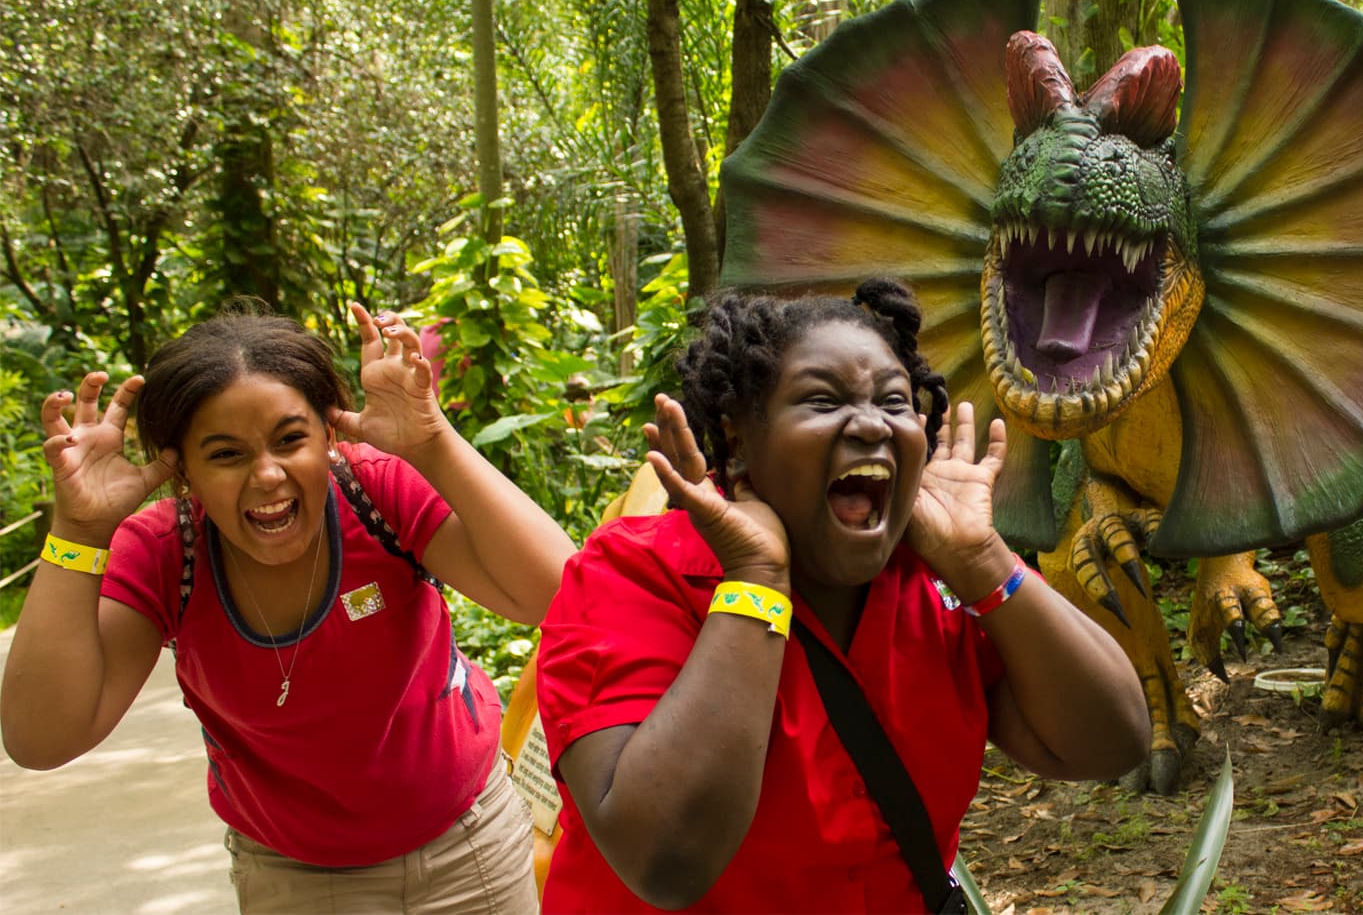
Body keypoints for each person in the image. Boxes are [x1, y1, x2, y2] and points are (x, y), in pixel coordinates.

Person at [535, 278, 1151, 912]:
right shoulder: (632, 574)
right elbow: (664, 861)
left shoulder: (939, 576)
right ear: (739, 440)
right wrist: (756, 581)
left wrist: (981, 558)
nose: (870, 425)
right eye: (823, 401)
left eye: (893, 401)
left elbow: (1110, 742)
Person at [1, 302, 576, 914]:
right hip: (296, 879)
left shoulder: (373, 493)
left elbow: (558, 596)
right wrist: (80, 532)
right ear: (182, 469)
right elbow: (42, 738)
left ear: (330, 435)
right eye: (225, 454)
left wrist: (432, 442)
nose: (268, 474)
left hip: (472, 843)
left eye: (290, 439)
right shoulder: (168, 553)